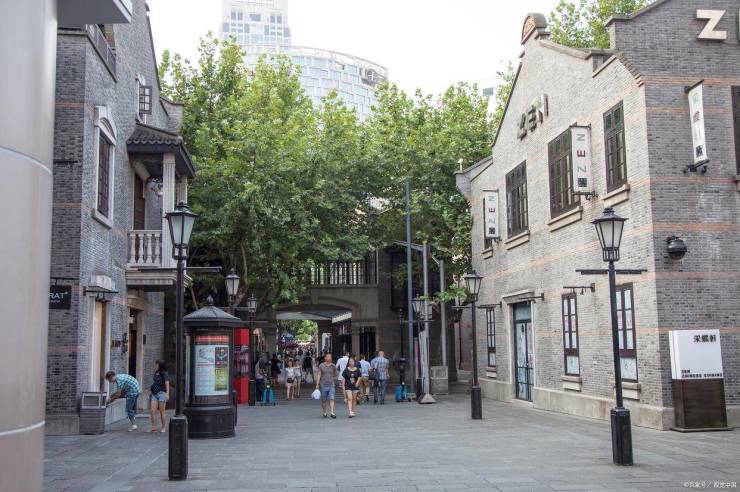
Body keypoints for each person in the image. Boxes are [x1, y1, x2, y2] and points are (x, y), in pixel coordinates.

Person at [148, 360, 169, 433]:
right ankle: (154, 427)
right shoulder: (155, 373)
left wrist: (167, 394)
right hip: (154, 393)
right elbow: (155, 382)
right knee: (152, 410)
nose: (155, 366)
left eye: (157, 364)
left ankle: (163, 427)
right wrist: (151, 389)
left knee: (161, 411)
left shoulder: (164, 373)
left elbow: (167, 383)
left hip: (162, 393)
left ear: (160, 365)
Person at [316, 353, 338, 418]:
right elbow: (319, 375)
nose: (329, 358)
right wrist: (317, 384)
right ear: (325, 358)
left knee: (332, 398)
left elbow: (335, 374)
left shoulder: (333, 366)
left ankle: (332, 412)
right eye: (328, 357)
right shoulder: (321, 365)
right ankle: (324, 412)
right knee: (324, 400)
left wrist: (330, 375)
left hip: (331, 385)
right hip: (323, 385)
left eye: (330, 357)